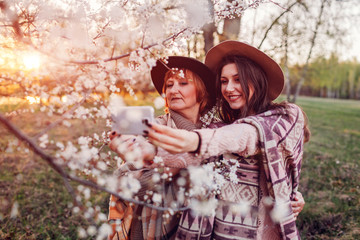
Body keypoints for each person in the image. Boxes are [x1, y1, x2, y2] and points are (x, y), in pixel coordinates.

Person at [143, 41, 310, 239]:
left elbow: (248, 135)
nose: (229, 88)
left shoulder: (286, 115)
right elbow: (188, 156)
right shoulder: (219, 127)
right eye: (223, 81)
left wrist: (196, 141)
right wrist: (142, 151)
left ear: (257, 79)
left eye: (238, 79)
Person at [107, 56, 218, 240]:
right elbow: (129, 186)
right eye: (169, 85)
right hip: (152, 228)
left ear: (202, 90)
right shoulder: (153, 130)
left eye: (183, 83)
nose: (174, 90)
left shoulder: (216, 132)